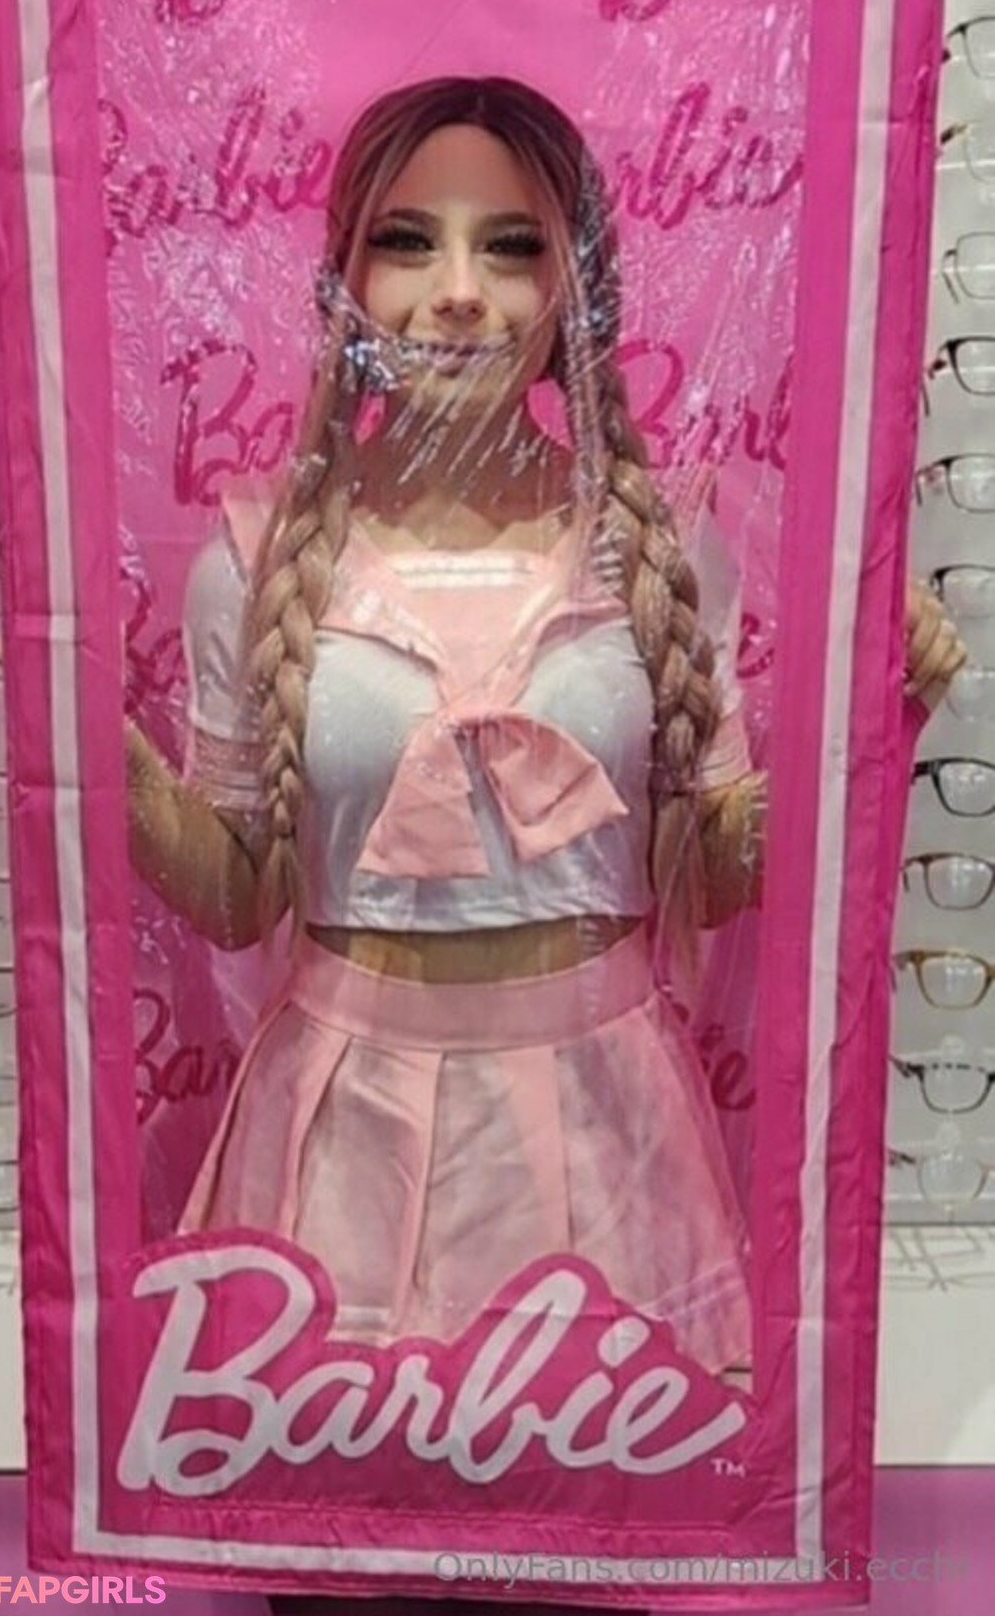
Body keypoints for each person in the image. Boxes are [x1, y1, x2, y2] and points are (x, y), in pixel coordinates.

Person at [124, 74, 967, 1382]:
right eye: (409, 240)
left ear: (578, 290)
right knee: (346, 1499)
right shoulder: (253, 557)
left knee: (601, 1487)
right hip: (342, 1137)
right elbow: (236, 897)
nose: (459, 291)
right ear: (345, 280)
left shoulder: (661, 546)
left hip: (603, 1132)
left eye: (513, 246)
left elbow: (710, 870)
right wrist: (88, 747)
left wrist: (863, 711)